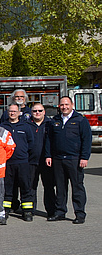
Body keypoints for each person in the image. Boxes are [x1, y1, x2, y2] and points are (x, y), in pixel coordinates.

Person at [44, 96, 92, 224]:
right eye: (62, 105)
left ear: (72, 105)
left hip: (74, 159)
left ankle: (80, 214)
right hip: (58, 159)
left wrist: (84, 157)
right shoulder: (55, 120)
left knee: (77, 187)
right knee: (60, 188)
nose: (64, 107)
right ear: (59, 106)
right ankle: (60, 212)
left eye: (66, 104)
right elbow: (49, 140)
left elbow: (87, 140)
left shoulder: (81, 120)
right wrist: (48, 155)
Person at [0, 104, 36, 221]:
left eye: (15, 111)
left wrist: (24, 155)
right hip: (8, 162)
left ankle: (27, 211)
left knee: (26, 187)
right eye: (10, 111)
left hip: (23, 162)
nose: (12, 113)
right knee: (7, 187)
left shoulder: (25, 127)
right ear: (7, 112)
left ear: (19, 113)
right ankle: (6, 210)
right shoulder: (2, 127)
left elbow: (31, 144)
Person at [29, 102, 55, 217]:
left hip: (46, 162)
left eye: (40, 111)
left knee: (49, 187)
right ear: (31, 112)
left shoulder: (51, 124)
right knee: (30, 187)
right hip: (31, 161)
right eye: (35, 111)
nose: (37, 113)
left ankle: (51, 211)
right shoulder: (26, 125)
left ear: (44, 112)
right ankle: (30, 210)